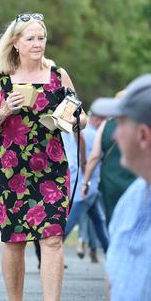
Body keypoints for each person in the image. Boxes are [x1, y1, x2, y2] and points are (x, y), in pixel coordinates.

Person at [0, 13, 86, 301]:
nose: (38, 44)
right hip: (11, 170)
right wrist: (5, 111)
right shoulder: (2, 78)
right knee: (15, 242)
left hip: (51, 168)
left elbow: (81, 117)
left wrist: (68, 117)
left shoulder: (58, 75)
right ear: (16, 43)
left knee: (52, 239)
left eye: (41, 38)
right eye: (31, 38)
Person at [93, 74, 151, 300]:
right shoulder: (133, 198)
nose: (115, 134)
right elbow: (115, 283)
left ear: (143, 135)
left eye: (121, 124)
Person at [82, 94, 138, 224]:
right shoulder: (139, 124)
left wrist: (86, 182)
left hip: (110, 182)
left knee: (113, 220)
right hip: (134, 179)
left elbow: (94, 157)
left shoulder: (105, 125)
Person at [62, 110, 109, 261]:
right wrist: (84, 166)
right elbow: (94, 156)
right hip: (86, 184)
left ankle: (110, 253)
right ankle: (51, 252)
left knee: (98, 221)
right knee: (70, 222)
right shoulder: (93, 134)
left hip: (81, 183)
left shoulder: (72, 131)